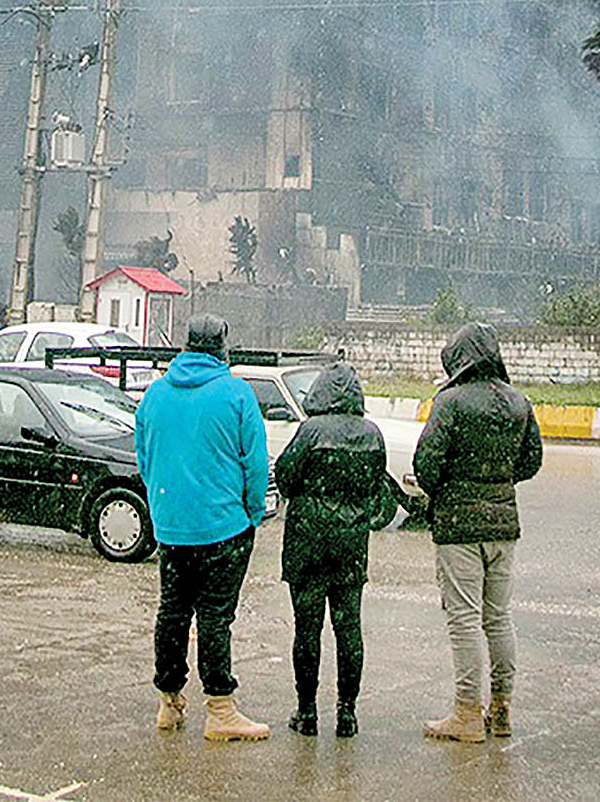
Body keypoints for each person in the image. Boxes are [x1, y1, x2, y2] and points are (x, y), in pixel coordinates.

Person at [133, 313, 272, 742]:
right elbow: (256, 463)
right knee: (215, 618)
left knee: (172, 613)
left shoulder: (154, 395)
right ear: (222, 347)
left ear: (187, 346)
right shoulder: (236, 395)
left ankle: (169, 701)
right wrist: (251, 515)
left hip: (172, 528)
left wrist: (164, 509)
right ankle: (220, 708)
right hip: (223, 527)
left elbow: (143, 457)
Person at [412, 321, 543, 744]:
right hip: (504, 526)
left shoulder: (450, 402)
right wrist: (497, 483)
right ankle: (501, 709)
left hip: (458, 528)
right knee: (498, 618)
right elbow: (531, 462)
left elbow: (425, 464)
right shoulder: (519, 402)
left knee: (464, 619)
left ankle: (467, 713)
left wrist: (449, 490)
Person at [274, 360, 387, 739]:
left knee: (307, 629)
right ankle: (347, 712)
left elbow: (286, 479)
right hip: (350, 543)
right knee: (348, 627)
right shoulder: (372, 433)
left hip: (308, 541)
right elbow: (375, 486)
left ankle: (307, 711)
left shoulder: (310, 431)